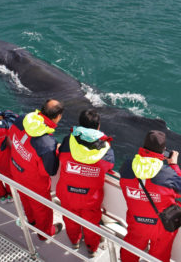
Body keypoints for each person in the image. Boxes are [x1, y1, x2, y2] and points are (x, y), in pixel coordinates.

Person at [119, 130, 181, 262]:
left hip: (136, 223)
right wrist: (174, 165)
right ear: (163, 152)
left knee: (130, 251)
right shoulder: (168, 174)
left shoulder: (127, 166)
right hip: (161, 226)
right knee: (160, 255)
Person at [56, 109, 114, 257]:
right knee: (91, 225)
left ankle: (74, 241)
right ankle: (91, 249)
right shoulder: (106, 149)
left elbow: (61, 155)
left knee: (70, 219)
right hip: (91, 199)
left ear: (80, 125)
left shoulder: (68, 141)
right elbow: (109, 166)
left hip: (67, 193)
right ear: (98, 126)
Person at [8, 99, 63, 240]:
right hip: (34, 181)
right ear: (58, 117)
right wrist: (55, 152)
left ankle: (31, 221)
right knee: (42, 208)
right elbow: (50, 170)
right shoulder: (47, 144)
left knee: (24, 198)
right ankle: (45, 233)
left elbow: (11, 137)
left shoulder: (22, 119)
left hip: (15, 168)